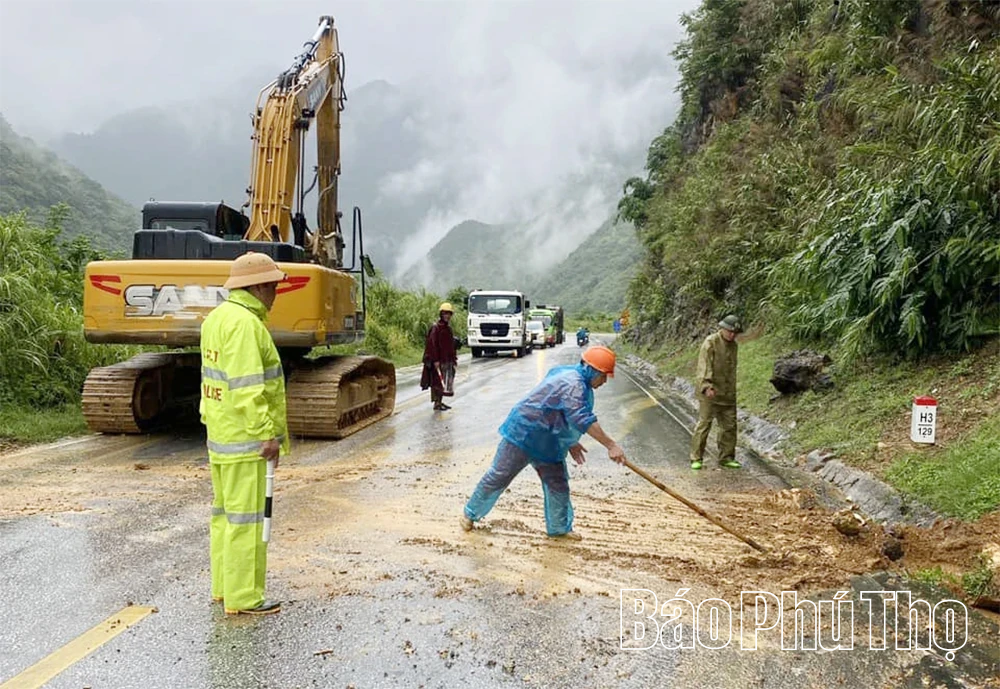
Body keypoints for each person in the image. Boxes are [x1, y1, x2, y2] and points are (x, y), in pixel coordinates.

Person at [200, 252, 289, 615]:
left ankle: (224, 589)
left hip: (222, 436)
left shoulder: (217, 318)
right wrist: (266, 435)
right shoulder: (246, 325)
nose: (276, 293)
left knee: (225, 517)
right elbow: (248, 387)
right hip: (246, 442)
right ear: (258, 286)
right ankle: (245, 597)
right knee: (248, 521)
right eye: (273, 286)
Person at [461, 345, 627, 540]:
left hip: (549, 442)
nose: (604, 381)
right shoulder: (573, 384)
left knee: (558, 485)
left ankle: (559, 528)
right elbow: (582, 418)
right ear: (592, 370)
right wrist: (610, 445)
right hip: (523, 434)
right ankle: (470, 514)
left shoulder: (572, 376)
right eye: (603, 376)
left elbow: (556, 411)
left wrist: (570, 441)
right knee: (500, 475)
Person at [690, 315, 743, 470]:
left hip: (727, 392)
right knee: (704, 424)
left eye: (735, 333)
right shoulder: (711, 342)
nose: (732, 335)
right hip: (710, 392)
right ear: (722, 328)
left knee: (729, 426)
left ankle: (726, 457)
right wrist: (707, 386)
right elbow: (704, 365)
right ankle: (696, 457)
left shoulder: (734, 346)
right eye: (730, 331)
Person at [421, 302, 458, 411]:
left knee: (444, 382)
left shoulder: (448, 329)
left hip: (446, 360)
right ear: (441, 314)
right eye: (445, 313)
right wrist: (435, 360)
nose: (447, 316)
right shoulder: (435, 328)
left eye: (449, 314)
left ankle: (440, 402)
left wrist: (453, 359)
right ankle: (437, 403)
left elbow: (450, 345)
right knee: (437, 382)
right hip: (437, 361)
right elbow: (432, 344)